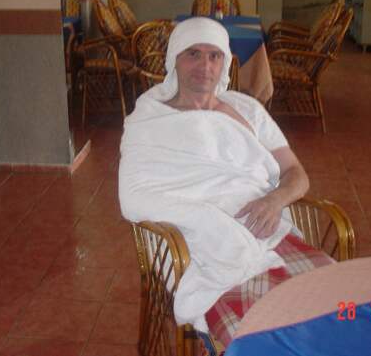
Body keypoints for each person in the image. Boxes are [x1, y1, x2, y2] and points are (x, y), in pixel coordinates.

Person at [118, 17, 310, 334]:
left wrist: (275, 200)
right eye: (193, 53)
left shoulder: (248, 109)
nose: (204, 66)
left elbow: (297, 174)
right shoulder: (151, 120)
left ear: (225, 63)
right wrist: (211, 223)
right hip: (195, 248)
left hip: (264, 229)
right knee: (269, 335)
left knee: (324, 312)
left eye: (214, 56)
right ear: (174, 59)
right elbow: (133, 197)